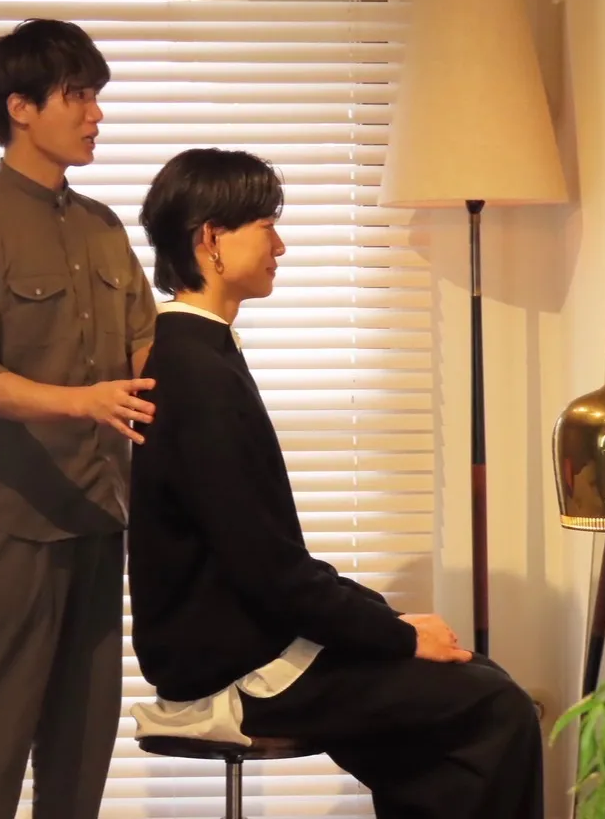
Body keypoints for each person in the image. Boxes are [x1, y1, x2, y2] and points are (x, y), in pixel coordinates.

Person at [126, 148, 544, 819]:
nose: (280, 246)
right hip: (232, 665)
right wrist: (398, 635)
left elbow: (269, 561)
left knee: (473, 685)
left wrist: (387, 622)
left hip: (249, 641)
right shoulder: (198, 375)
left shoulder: (201, 356)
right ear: (211, 239)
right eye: (267, 226)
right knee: (496, 707)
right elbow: (269, 570)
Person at [0, 18, 158, 819]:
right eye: (78, 96)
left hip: (101, 512)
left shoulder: (104, 227)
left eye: (95, 96)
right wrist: (81, 401)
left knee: (83, 738)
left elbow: (146, 350)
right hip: (9, 526)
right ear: (20, 107)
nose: (96, 114)